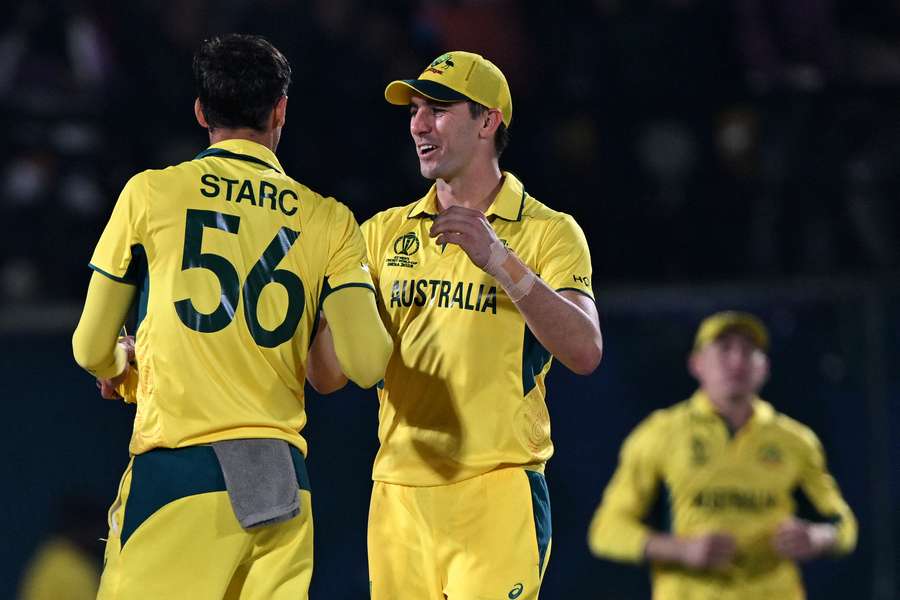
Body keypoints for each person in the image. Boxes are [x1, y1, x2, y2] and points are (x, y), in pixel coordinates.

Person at [71, 34, 392, 599]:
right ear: (280, 110)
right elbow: (367, 364)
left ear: (200, 111)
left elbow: (89, 347)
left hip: (180, 475)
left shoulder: (151, 193)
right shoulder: (330, 220)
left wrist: (122, 363)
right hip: (285, 486)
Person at [309, 50, 603, 599]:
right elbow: (326, 378)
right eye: (415, 110)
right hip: (397, 497)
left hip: (497, 492)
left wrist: (500, 261)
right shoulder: (379, 235)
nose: (419, 123)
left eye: (439, 109)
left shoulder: (548, 232)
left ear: (488, 120)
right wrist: (332, 305)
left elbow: (585, 350)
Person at [588, 311, 857, 599]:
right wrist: (681, 549)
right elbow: (606, 531)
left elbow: (844, 525)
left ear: (764, 366)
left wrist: (818, 538)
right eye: (724, 348)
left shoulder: (797, 441)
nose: (737, 360)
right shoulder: (660, 433)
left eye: (749, 350)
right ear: (696, 363)